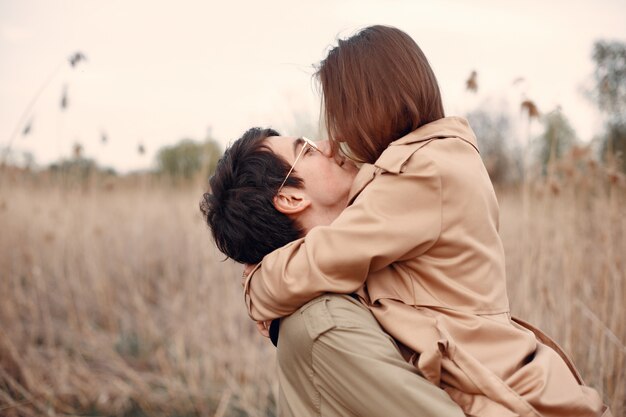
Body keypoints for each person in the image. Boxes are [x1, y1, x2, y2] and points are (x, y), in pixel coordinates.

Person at [242, 26, 611, 417]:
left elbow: (325, 258)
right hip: (490, 379)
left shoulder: (421, 172)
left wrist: (257, 286)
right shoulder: (423, 166)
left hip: (507, 393)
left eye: (339, 111)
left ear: (368, 104)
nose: (335, 134)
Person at [201, 127, 465, 417]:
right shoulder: (327, 322)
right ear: (290, 199)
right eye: (309, 150)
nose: (330, 145)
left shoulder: (353, 281)